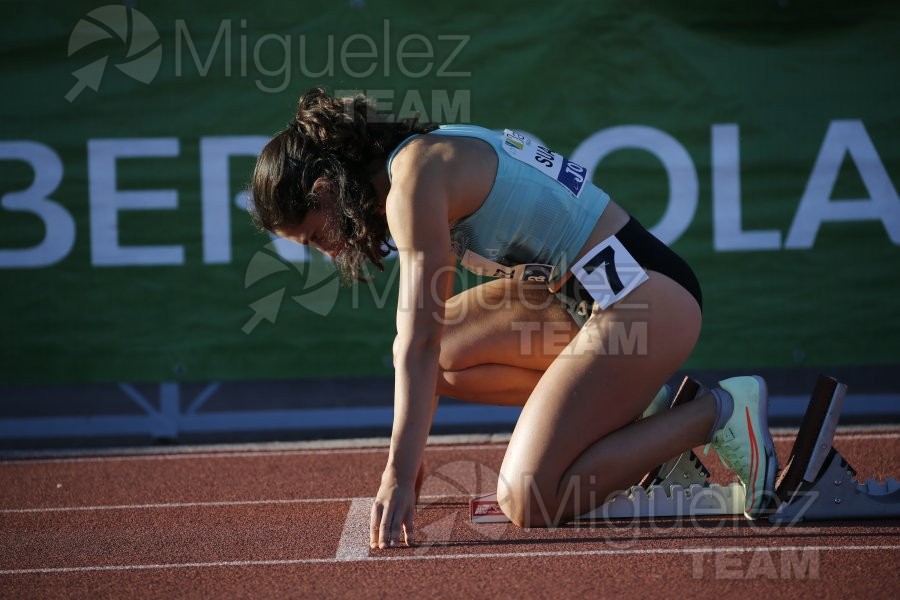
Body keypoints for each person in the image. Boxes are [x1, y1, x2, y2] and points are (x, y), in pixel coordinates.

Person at [248, 88, 778, 549]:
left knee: (528, 498)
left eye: (314, 236)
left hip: (644, 301)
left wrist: (400, 473)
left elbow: (419, 342)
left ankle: (722, 412)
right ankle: (641, 413)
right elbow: (429, 350)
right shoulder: (415, 160)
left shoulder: (413, 184)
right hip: (583, 298)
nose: (325, 251)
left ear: (322, 189)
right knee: (447, 353)